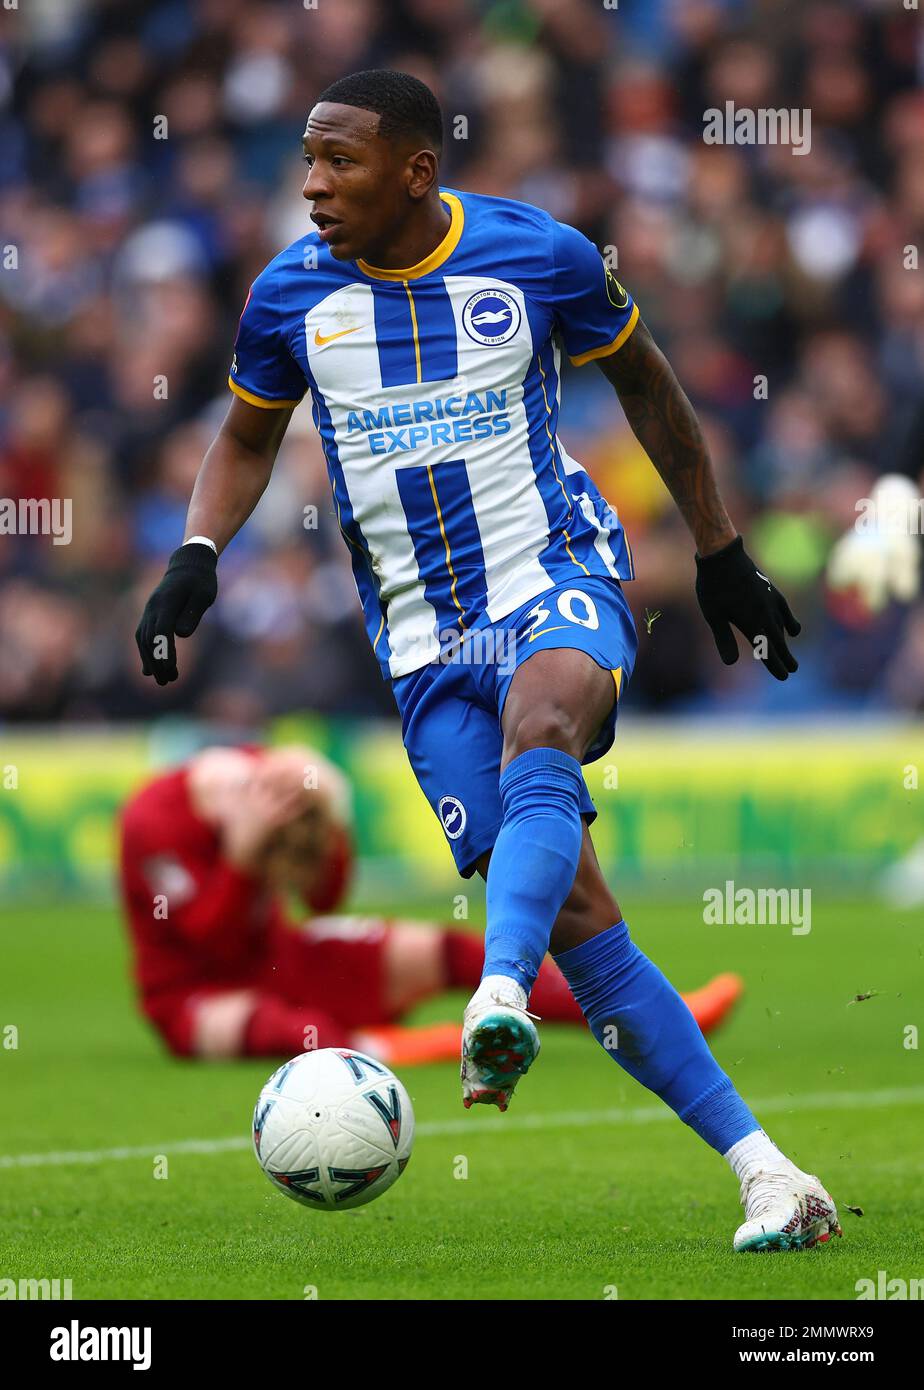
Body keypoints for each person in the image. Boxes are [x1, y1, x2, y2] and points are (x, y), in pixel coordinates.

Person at [135, 71, 839, 1251]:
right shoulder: (288, 296)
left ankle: (498, 992)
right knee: (582, 916)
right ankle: (773, 1174)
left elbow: (651, 388)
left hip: (553, 568)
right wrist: (198, 553)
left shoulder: (538, 255)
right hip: (420, 641)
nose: (311, 185)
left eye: (339, 163)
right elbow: (245, 438)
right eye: (307, 161)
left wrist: (719, 552)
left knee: (548, 727)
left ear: (416, 171)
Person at [119, 742, 743, 1064]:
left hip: (278, 957)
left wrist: (335, 828)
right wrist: (241, 858)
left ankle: (651, 1017)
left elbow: (322, 901)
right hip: (190, 995)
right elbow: (209, 942)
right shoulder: (152, 822)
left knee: (448, 951)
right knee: (281, 1031)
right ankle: (382, 1051)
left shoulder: (268, 777)